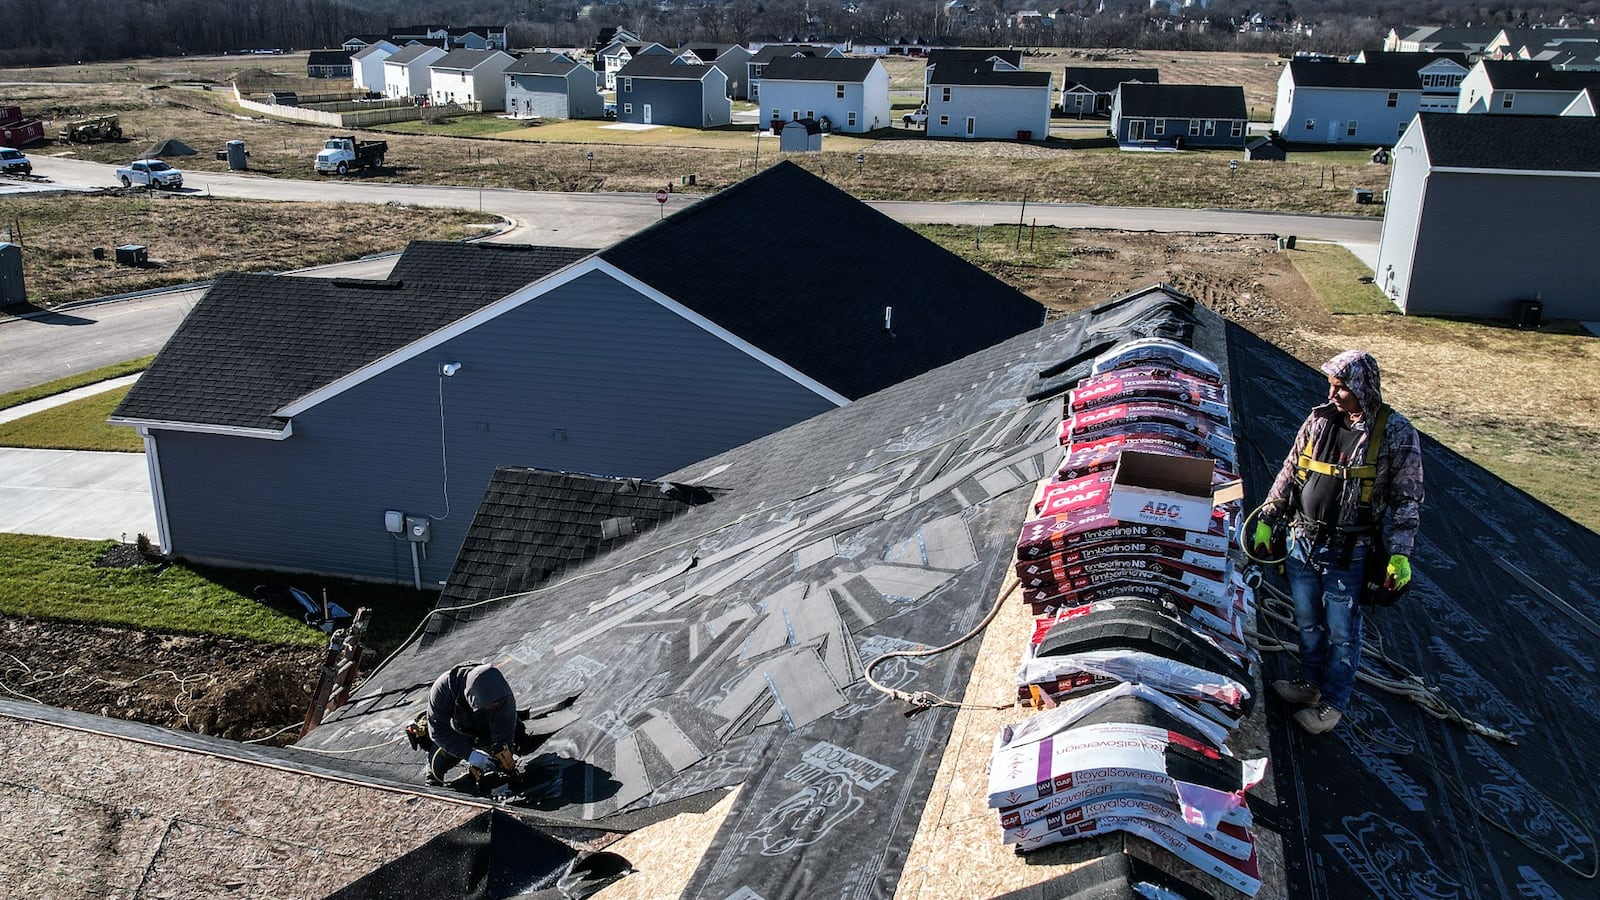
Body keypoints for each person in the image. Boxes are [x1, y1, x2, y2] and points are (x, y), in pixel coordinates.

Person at [1253, 350, 1423, 734]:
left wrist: (1400, 554)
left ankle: (1332, 704)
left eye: (1342, 387)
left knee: (1343, 631)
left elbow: (1406, 499)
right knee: (1309, 623)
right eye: (1332, 385)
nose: (1333, 394)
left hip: (1350, 551)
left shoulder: (1395, 433)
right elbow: (1291, 469)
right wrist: (1268, 518)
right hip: (1303, 542)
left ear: (1362, 387)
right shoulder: (1319, 420)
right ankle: (1309, 685)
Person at [424, 662, 519, 785]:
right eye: (490, 704)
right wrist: (470, 755)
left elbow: (505, 729)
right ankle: (435, 776)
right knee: (436, 767)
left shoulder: (503, 695)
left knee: (498, 762)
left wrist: (503, 753)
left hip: (485, 730)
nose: (495, 705)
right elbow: (437, 732)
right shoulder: (442, 690)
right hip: (455, 732)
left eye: (497, 703)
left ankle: (478, 771)